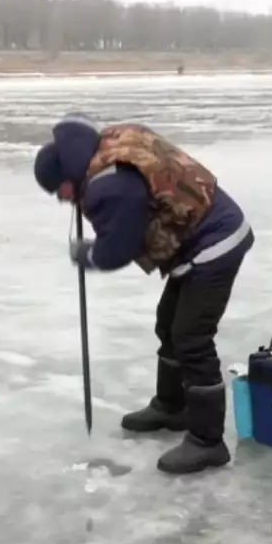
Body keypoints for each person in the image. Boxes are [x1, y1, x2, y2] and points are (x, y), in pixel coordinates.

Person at [33, 113, 255, 475]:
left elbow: (119, 247)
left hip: (214, 243)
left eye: (58, 192)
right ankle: (172, 407)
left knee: (192, 338)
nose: (60, 199)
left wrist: (88, 253)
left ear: (67, 180)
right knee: (168, 324)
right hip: (194, 239)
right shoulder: (106, 147)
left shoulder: (108, 185)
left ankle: (207, 441)